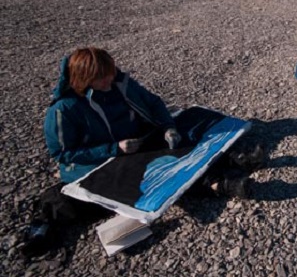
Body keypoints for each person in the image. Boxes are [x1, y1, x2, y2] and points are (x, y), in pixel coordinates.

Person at [21, 47, 264, 258]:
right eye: (102, 79)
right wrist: (114, 148)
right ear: (84, 80)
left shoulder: (119, 83)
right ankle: (219, 182)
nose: (108, 82)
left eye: (110, 75)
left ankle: (232, 160)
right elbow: (64, 154)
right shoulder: (64, 110)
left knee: (188, 125)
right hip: (104, 161)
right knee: (146, 177)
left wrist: (168, 127)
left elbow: (154, 103)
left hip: (137, 141)